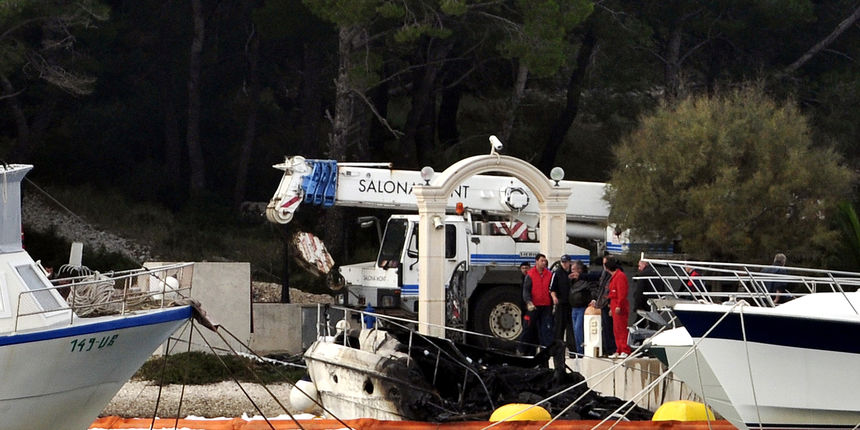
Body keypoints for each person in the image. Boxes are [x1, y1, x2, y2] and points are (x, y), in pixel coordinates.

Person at [520, 253, 554, 350]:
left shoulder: (549, 274)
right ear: (536, 261)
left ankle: (546, 350)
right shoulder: (530, 274)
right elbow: (526, 290)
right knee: (528, 327)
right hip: (534, 306)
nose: (544, 263)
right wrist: (528, 302)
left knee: (546, 329)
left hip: (546, 306)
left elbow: (552, 288)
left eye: (544, 261)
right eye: (541, 261)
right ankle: (522, 348)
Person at [605, 257, 632, 358]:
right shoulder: (615, 276)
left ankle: (625, 349)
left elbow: (622, 292)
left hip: (618, 304)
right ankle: (619, 349)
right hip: (614, 303)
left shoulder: (620, 276)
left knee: (621, 328)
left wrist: (619, 305)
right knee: (616, 329)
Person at [568, 260, 597, 355]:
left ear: (579, 270)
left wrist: (593, 299)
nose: (571, 271)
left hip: (582, 307)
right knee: (575, 330)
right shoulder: (571, 280)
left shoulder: (586, 279)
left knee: (578, 329)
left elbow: (593, 289)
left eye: (573, 269)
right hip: (573, 307)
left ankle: (581, 350)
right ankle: (577, 349)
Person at [549, 255, 575, 352]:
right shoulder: (557, 273)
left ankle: (572, 349)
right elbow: (552, 288)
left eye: (566, 262)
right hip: (561, 303)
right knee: (559, 327)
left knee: (571, 327)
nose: (564, 264)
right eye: (563, 262)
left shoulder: (573, 273)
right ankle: (557, 349)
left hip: (571, 304)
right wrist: (554, 298)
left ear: (569, 262)